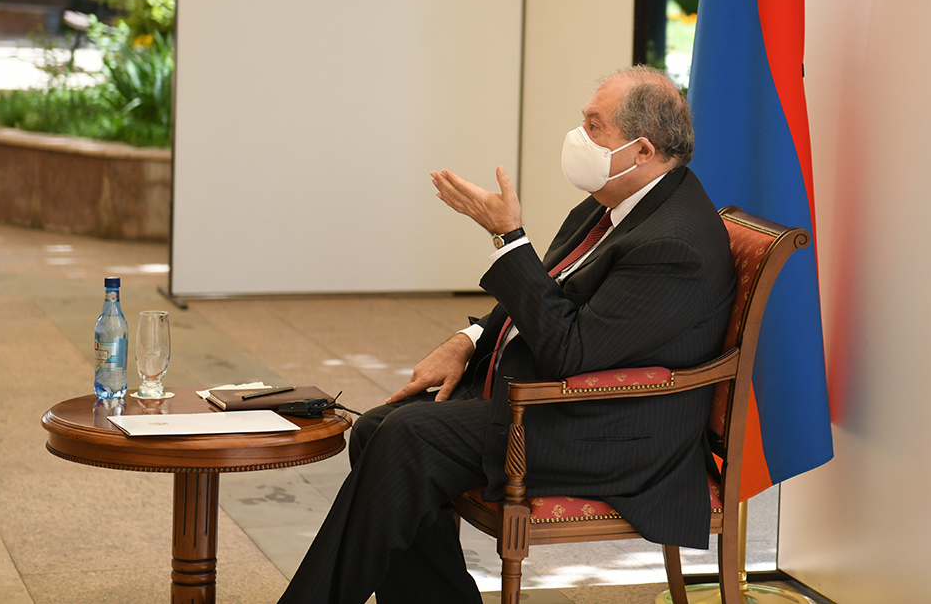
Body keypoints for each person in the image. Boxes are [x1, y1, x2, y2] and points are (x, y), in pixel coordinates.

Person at [278, 66, 736, 604]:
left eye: (595, 126)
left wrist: (507, 237)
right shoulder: (614, 202)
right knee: (378, 427)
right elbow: (552, 290)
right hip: (560, 403)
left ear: (642, 151)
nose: (579, 137)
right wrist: (468, 339)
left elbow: (571, 352)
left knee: (407, 437)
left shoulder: (674, 243)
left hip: (616, 433)